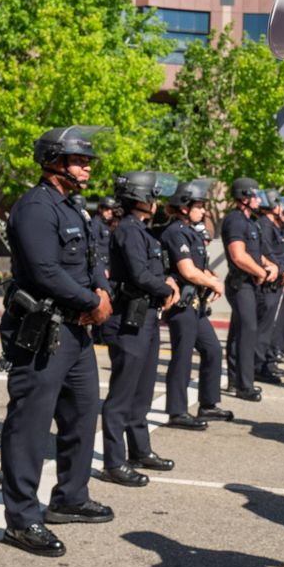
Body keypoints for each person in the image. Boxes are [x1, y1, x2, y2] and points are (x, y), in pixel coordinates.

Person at [0, 126, 114, 558]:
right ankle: (21, 518)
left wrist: (101, 292)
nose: (86, 168)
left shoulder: (73, 208)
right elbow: (45, 271)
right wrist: (92, 302)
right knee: (30, 426)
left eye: (86, 162)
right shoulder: (35, 207)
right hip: (44, 331)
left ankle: (70, 498)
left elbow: (92, 260)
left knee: (83, 412)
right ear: (53, 161)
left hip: (77, 331)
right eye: (79, 161)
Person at [100, 171, 179, 486]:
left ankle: (139, 450)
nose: (157, 202)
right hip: (130, 320)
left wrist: (166, 284)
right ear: (141, 197)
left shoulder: (141, 230)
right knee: (122, 396)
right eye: (153, 196)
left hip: (146, 317)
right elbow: (139, 274)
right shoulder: (129, 230)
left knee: (143, 392)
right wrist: (167, 288)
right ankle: (114, 462)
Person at [160, 180, 233, 430]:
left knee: (212, 350)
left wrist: (210, 276)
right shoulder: (175, 232)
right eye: (199, 206)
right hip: (182, 304)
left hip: (195, 304)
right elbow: (187, 271)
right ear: (184, 207)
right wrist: (215, 284)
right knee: (182, 356)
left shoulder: (190, 231)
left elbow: (199, 267)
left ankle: (208, 404)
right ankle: (177, 411)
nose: (203, 211)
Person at [222, 177, 274, 401]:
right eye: (254, 196)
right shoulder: (235, 220)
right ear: (244, 197)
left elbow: (254, 253)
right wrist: (260, 272)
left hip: (249, 283)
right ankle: (244, 385)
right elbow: (238, 255)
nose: (258, 200)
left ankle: (235, 380)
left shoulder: (250, 222)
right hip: (240, 283)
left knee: (239, 332)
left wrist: (270, 265)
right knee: (248, 331)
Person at [254, 190, 284, 384]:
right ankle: (259, 366)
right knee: (264, 329)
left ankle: (266, 362)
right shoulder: (264, 225)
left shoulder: (271, 226)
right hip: (269, 283)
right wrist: (282, 269)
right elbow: (267, 251)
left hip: (276, 282)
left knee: (270, 327)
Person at [91, 196, 117, 277]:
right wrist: (102, 268)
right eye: (107, 209)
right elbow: (93, 247)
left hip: (109, 264)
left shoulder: (107, 224)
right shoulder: (95, 224)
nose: (110, 212)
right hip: (100, 266)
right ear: (100, 209)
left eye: (112, 210)